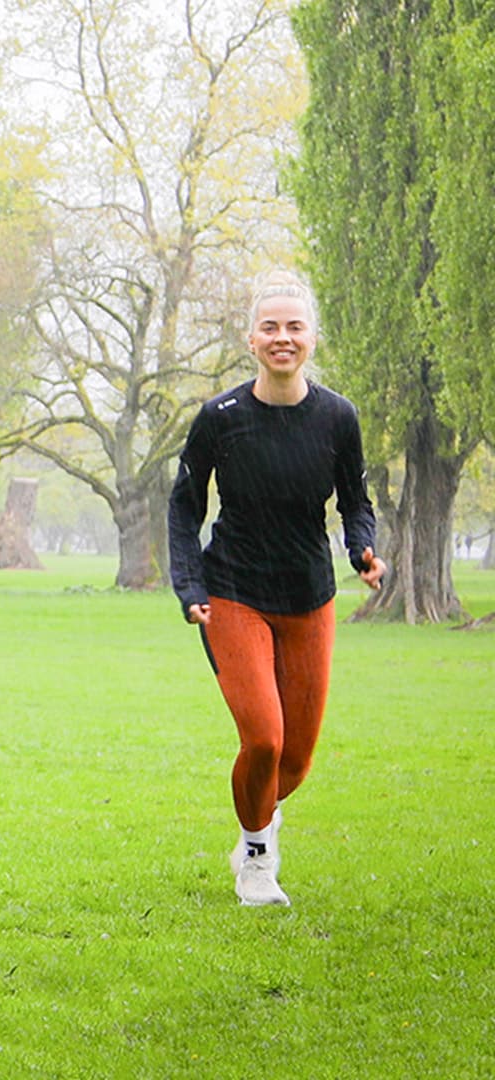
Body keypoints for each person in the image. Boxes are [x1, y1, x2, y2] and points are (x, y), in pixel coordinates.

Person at [168, 269, 385, 907]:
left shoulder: (338, 417)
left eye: (294, 327)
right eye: (270, 327)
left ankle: (257, 820)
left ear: (312, 338)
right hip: (232, 590)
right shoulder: (220, 418)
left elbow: (355, 502)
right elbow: (184, 508)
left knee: (293, 761)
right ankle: (258, 858)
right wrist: (189, 584)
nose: (282, 338)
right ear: (251, 338)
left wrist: (362, 549)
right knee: (263, 736)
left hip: (310, 596)